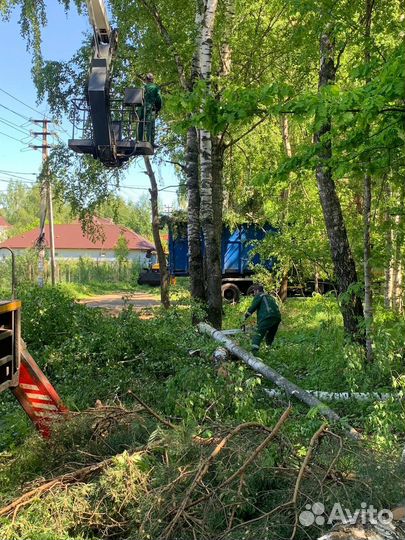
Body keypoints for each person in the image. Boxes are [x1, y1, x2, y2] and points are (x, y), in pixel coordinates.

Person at [242, 285, 281, 353]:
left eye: (253, 292)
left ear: (257, 291)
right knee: (270, 336)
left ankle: (254, 353)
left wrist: (244, 317)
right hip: (277, 317)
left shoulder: (259, 295)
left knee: (258, 335)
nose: (253, 294)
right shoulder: (270, 297)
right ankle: (268, 351)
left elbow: (252, 308)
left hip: (267, 317)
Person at [138, 73, 162, 147]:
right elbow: (159, 98)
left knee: (141, 123)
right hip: (150, 108)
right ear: (152, 79)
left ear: (146, 80)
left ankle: (139, 140)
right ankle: (150, 141)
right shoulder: (155, 87)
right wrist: (158, 107)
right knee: (150, 124)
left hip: (141, 108)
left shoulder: (142, 87)